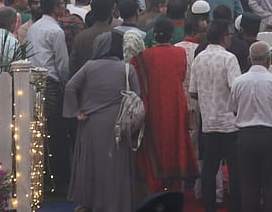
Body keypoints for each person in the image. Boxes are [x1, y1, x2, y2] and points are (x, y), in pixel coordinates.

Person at [63, 30, 141, 212]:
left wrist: (76, 112)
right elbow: (137, 96)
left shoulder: (89, 66)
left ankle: (91, 203)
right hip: (119, 124)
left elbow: (70, 87)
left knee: (93, 166)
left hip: (92, 123)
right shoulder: (127, 69)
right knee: (116, 167)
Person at [133, 18, 198, 193]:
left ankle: (155, 189)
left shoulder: (144, 57)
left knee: (155, 146)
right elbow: (181, 76)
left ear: (154, 34)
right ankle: (175, 188)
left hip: (153, 107)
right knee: (175, 144)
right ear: (172, 35)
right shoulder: (179, 53)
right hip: (176, 106)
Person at [189, 20, 242, 212]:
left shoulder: (199, 59)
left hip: (209, 123)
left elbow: (193, 91)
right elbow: (236, 88)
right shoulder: (229, 58)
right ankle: (235, 206)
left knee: (209, 169)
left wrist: (208, 99)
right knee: (235, 169)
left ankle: (209, 206)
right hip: (229, 122)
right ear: (224, 37)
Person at [229, 41, 272, 212]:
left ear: (249, 59)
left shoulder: (238, 82)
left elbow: (234, 110)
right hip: (271, 137)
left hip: (246, 137)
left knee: (248, 185)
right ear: (269, 60)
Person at [25, 0, 71, 196]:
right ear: (54, 8)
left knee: (37, 129)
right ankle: (56, 179)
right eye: (61, 4)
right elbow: (62, 64)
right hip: (50, 83)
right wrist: (65, 85)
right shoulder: (55, 31)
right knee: (55, 132)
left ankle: (40, 175)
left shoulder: (33, 28)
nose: (64, 7)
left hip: (31, 81)